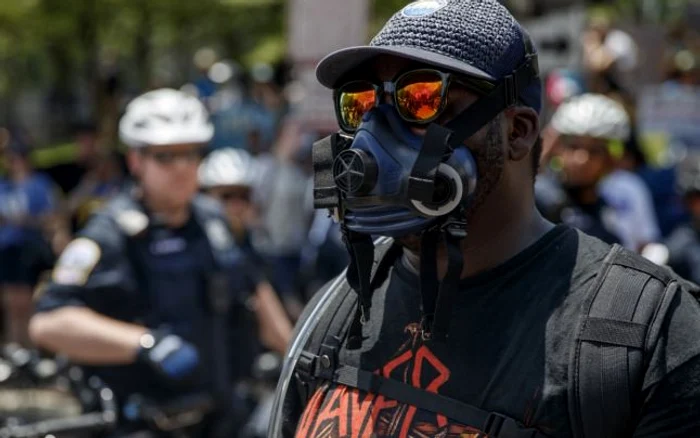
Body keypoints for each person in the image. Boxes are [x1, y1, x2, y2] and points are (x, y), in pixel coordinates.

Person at [270, 1, 700, 437]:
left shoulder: (647, 338)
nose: (373, 136)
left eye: (421, 99)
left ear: (518, 132)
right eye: (361, 104)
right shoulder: (334, 311)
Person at [29, 88, 260, 436]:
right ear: (136, 160)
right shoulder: (108, 235)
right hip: (145, 423)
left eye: (190, 153)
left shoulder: (215, 221)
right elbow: (48, 324)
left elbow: (255, 291)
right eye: (165, 157)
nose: (181, 167)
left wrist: (298, 357)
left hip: (223, 417)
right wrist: (144, 343)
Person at [198, 147, 293, 355]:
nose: (237, 204)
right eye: (227, 196)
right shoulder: (195, 246)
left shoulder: (255, 248)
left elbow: (275, 316)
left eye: (244, 196)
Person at [548, 93, 662, 252]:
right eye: (573, 147)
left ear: (610, 159)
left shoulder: (621, 200)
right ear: (558, 149)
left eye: (594, 151)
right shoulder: (538, 199)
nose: (582, 159)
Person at [0, 129, 62, 346]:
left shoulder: (40, 184)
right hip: (7, 248)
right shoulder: (3, 186)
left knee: (27, 302)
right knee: (10, 302)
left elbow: (52, 217)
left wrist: (27, 221)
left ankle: (31, 351)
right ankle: (14, 350)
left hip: (30, 247)